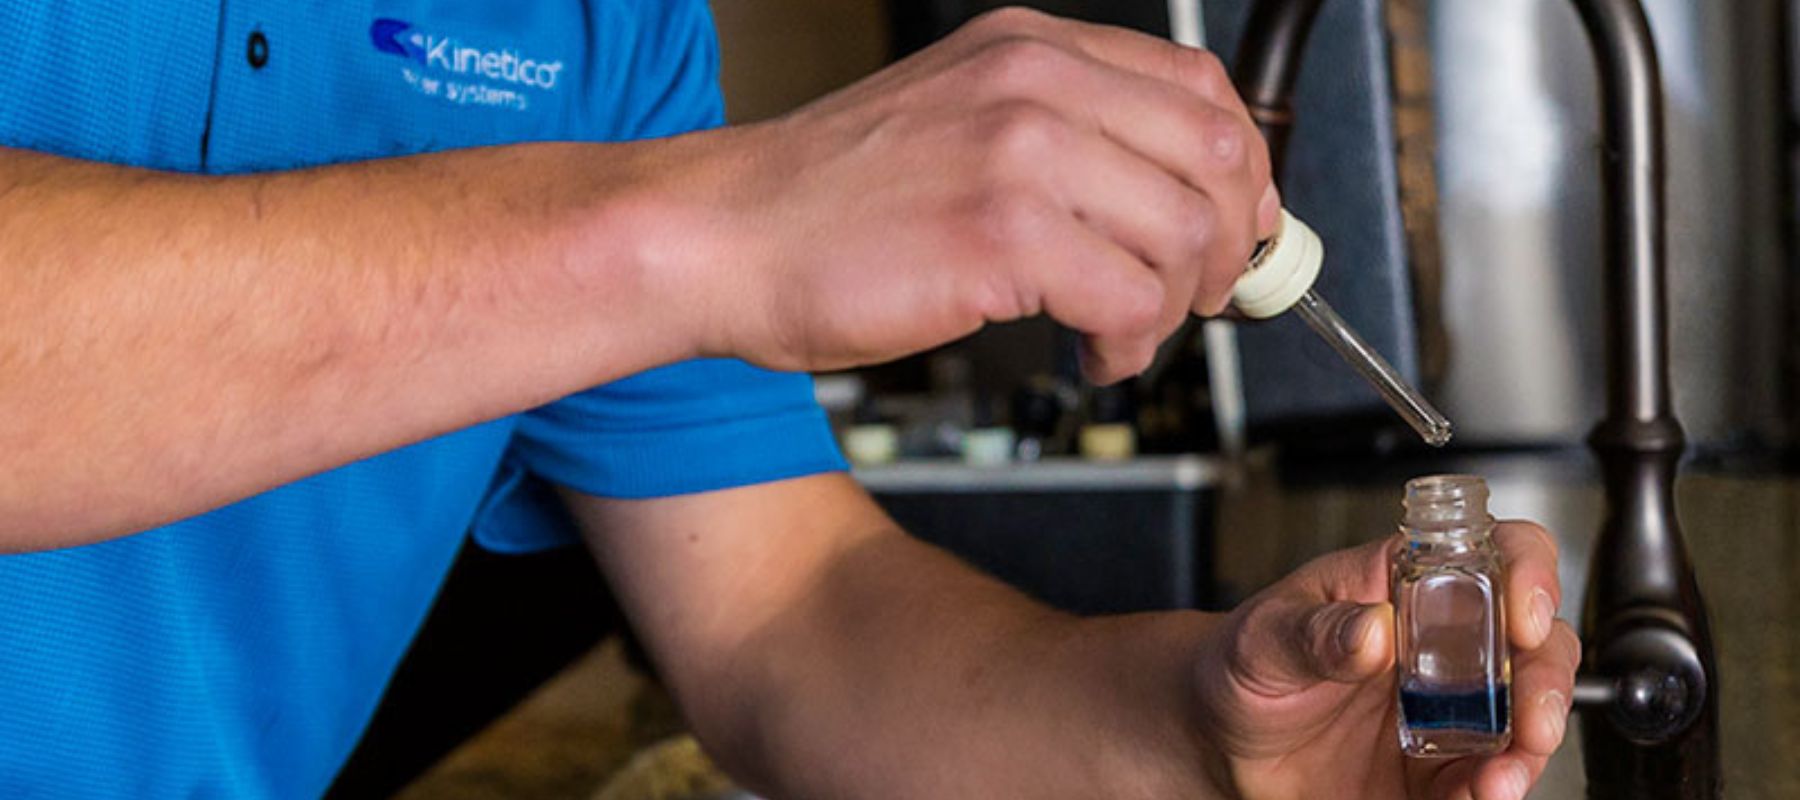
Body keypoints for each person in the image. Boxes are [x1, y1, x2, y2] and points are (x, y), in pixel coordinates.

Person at [0, 2, 1577, 798]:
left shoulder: (600, 30)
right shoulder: (662, 200)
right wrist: (690, 234)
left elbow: (784, 618)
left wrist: (1199, 737)